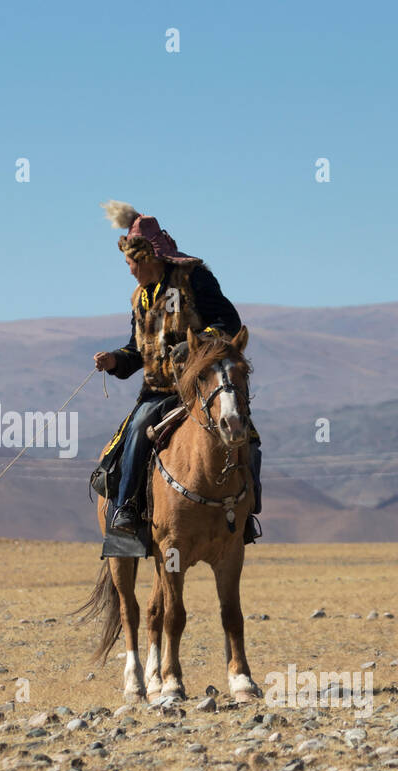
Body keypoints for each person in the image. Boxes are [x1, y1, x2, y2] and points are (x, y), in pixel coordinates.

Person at [93, 200, 262, 543]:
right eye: (127, 263)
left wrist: (197, 343)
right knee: (137, 431)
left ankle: (247, 510)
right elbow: (137, 350)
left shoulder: (194, 278)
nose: (129, 271)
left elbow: (227, 321)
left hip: (201, 385)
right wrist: (115, 360)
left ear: (150, 257)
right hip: (158, 392)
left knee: (247, 435)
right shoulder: (140, 298)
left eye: (132, 262)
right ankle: (126, 508)